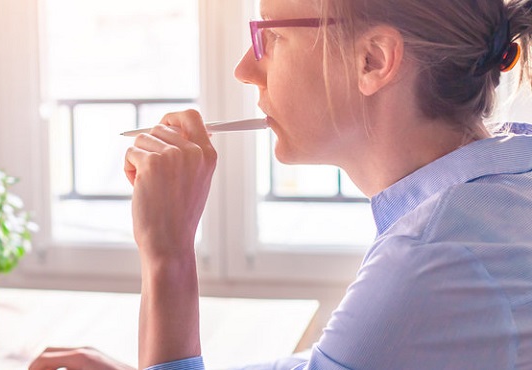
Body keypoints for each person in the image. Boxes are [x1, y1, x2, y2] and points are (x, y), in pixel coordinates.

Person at [29, 0, 532, 369]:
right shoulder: (503, 185)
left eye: (270, 37)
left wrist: (169, 255)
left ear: (373, 60)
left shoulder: (431, 259)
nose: (245, 70)